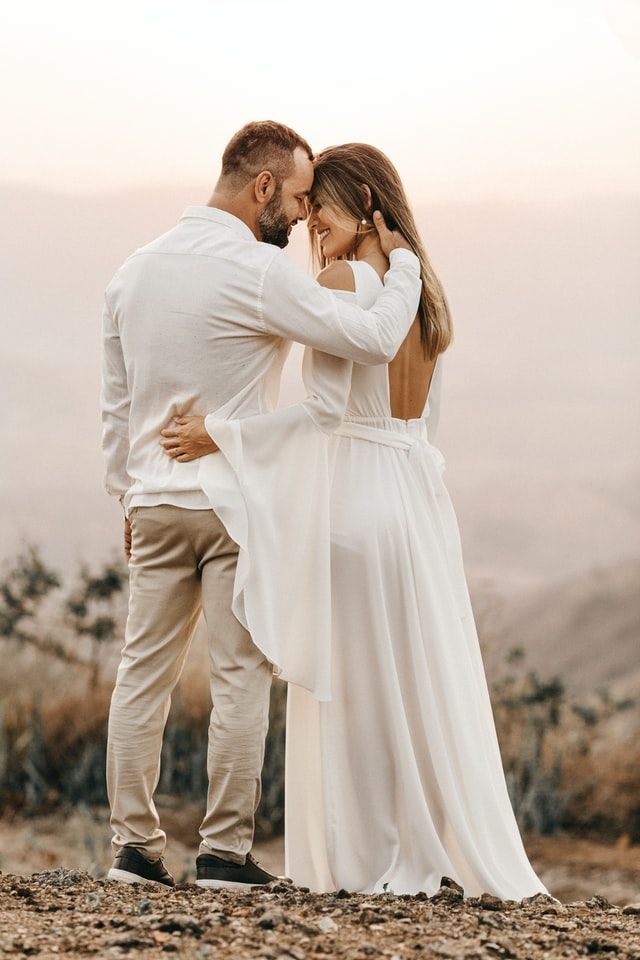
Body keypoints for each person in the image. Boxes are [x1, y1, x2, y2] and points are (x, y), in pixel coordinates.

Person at [161, 143, 549, 899]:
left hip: (356, 497)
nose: (311, 227)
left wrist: (224, 433)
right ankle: (431, 846)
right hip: (417, 501)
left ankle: (363, 859)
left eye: (323, 209)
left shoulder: (345, 283)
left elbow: (323, 413)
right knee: (413, 682)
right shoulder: (427, 293)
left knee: (352, 690)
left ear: (367, 201)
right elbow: (424, 423)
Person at [100, 122, 422, 891]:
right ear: (265, 187)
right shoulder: (257, 273)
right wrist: (401, 261)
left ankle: (133, 852)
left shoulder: (132, 272)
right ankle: (222, 853)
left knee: (140, 675)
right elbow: (371, 341)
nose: (303, 216)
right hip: (231, 504)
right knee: (239, 676)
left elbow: (116, 408)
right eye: (301, 195)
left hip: (153, 500)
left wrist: (127, 494)